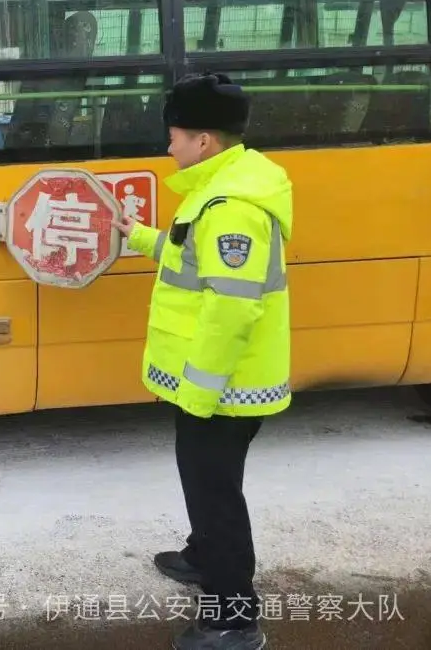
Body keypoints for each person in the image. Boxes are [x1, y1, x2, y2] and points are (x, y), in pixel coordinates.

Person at [112, 73, 293, 650]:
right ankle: (202, 555)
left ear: (204, 141)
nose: (169, 148)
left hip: (222, 390)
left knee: (216, 493)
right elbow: (191, 256)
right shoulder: (217, 189)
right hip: (213, 385)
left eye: (174, 137)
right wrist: (138, 237)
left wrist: (199, 390)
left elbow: (231, 311)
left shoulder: (233, 206)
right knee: (206, 485)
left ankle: (234, 618)